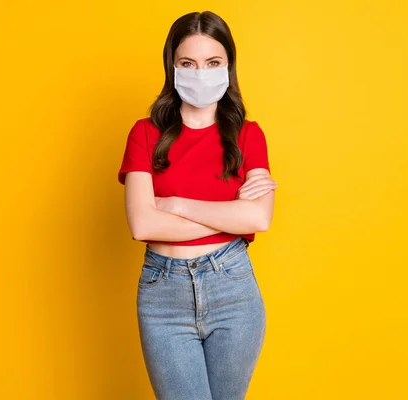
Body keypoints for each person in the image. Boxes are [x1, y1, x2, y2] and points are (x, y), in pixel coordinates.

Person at [117, 10, 276, 400]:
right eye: (188, 63)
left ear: (228, 67)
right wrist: (230, 215)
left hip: (233, 289)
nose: (200, 73)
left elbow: (259, 217)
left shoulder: (248, 136)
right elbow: (142, 225)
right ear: (172, 67)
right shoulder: (145, 133)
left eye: (212, 62)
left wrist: (173, 203)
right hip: (162, 294)